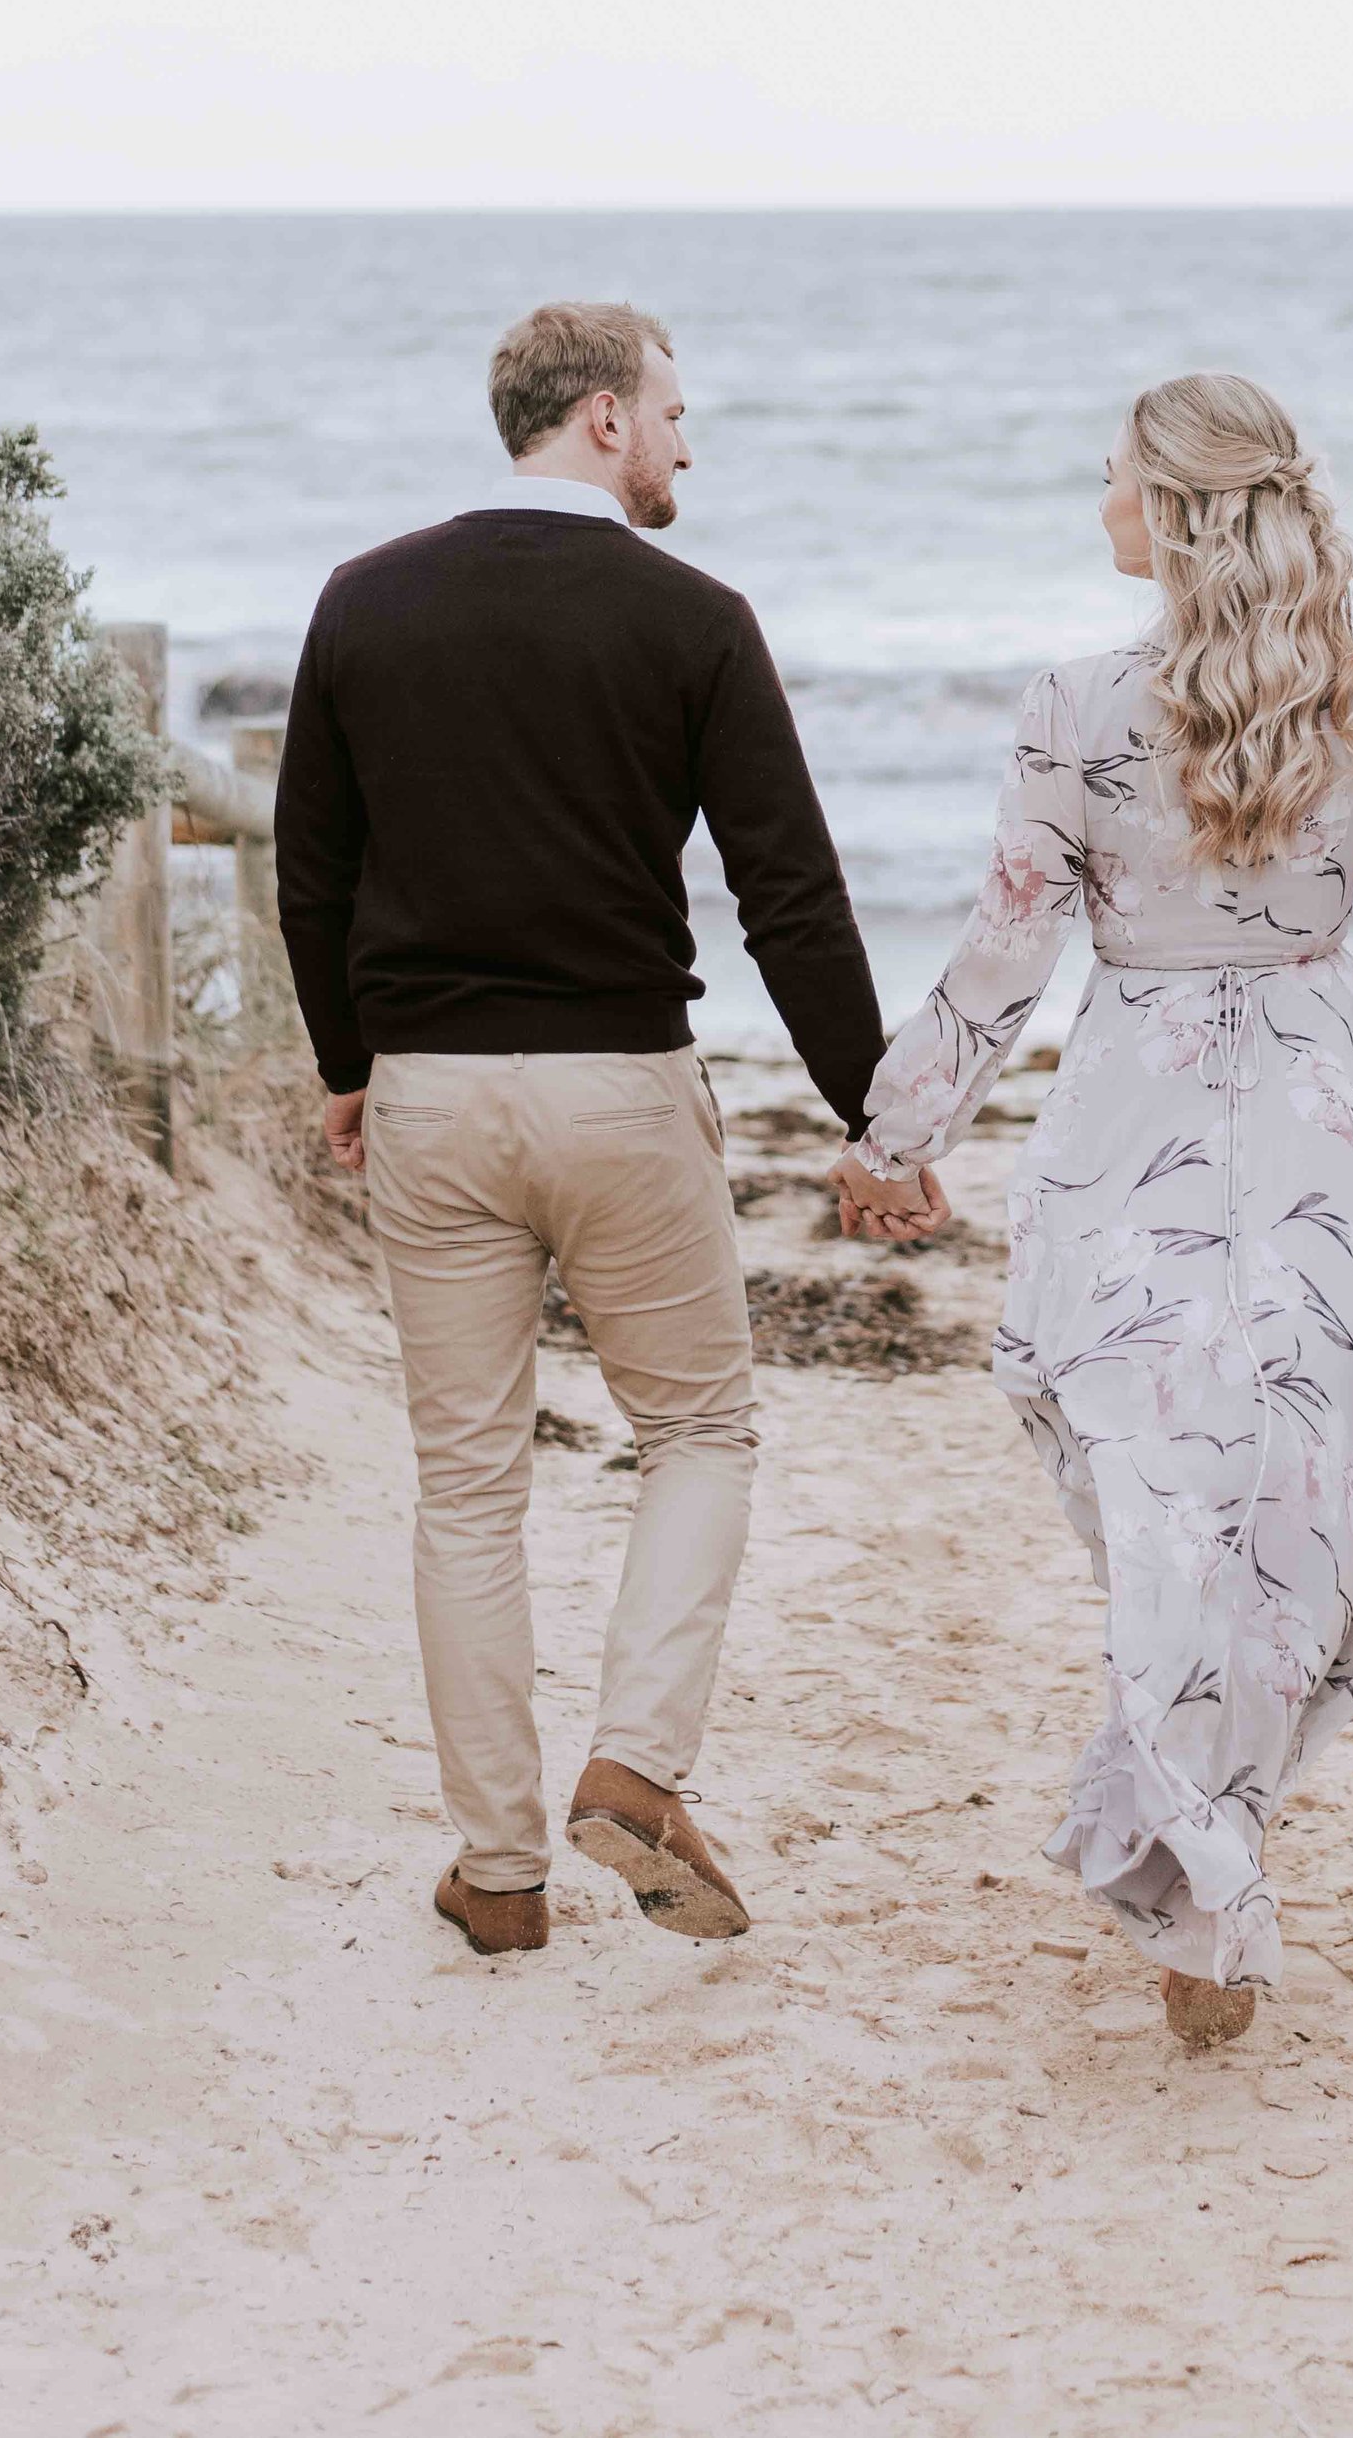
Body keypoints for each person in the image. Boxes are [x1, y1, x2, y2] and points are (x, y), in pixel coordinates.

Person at [275, 298, 942, 1961]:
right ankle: (636, 1770)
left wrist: (349, 1060)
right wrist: (879, 1110)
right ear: (597, 419)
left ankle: (498, 1871)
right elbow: (791, 891)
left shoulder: (364, 601)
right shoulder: (696, 619)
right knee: (699, 1432)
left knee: (466, 1484)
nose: (685, 442)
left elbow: (314, 865)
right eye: (672, 411)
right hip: (621, 1088)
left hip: (430, 1093)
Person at [831, 373, 1353, 2052]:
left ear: (1179, 511)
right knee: (1301, 1494)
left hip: (1127, 1130)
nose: (1098, 503)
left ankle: (1204, 1857)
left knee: (1161, 1488)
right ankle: (1216, 1846)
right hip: (1322, 1121)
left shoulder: (1075, 704)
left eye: (1114, 478)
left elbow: (1006, 952)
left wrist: (901, 1128)